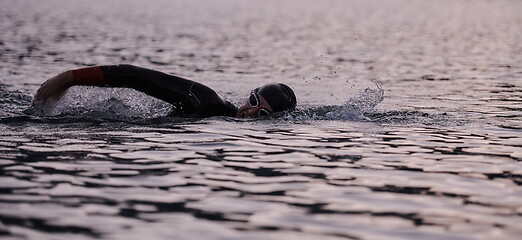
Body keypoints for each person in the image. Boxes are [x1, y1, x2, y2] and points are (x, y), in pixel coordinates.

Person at [32, 64, 297, 118]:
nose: (250, 112)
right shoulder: (205, 100)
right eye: (253, 101)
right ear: (248, 93)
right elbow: (137, 76)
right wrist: (68, 78)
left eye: (261, 114)